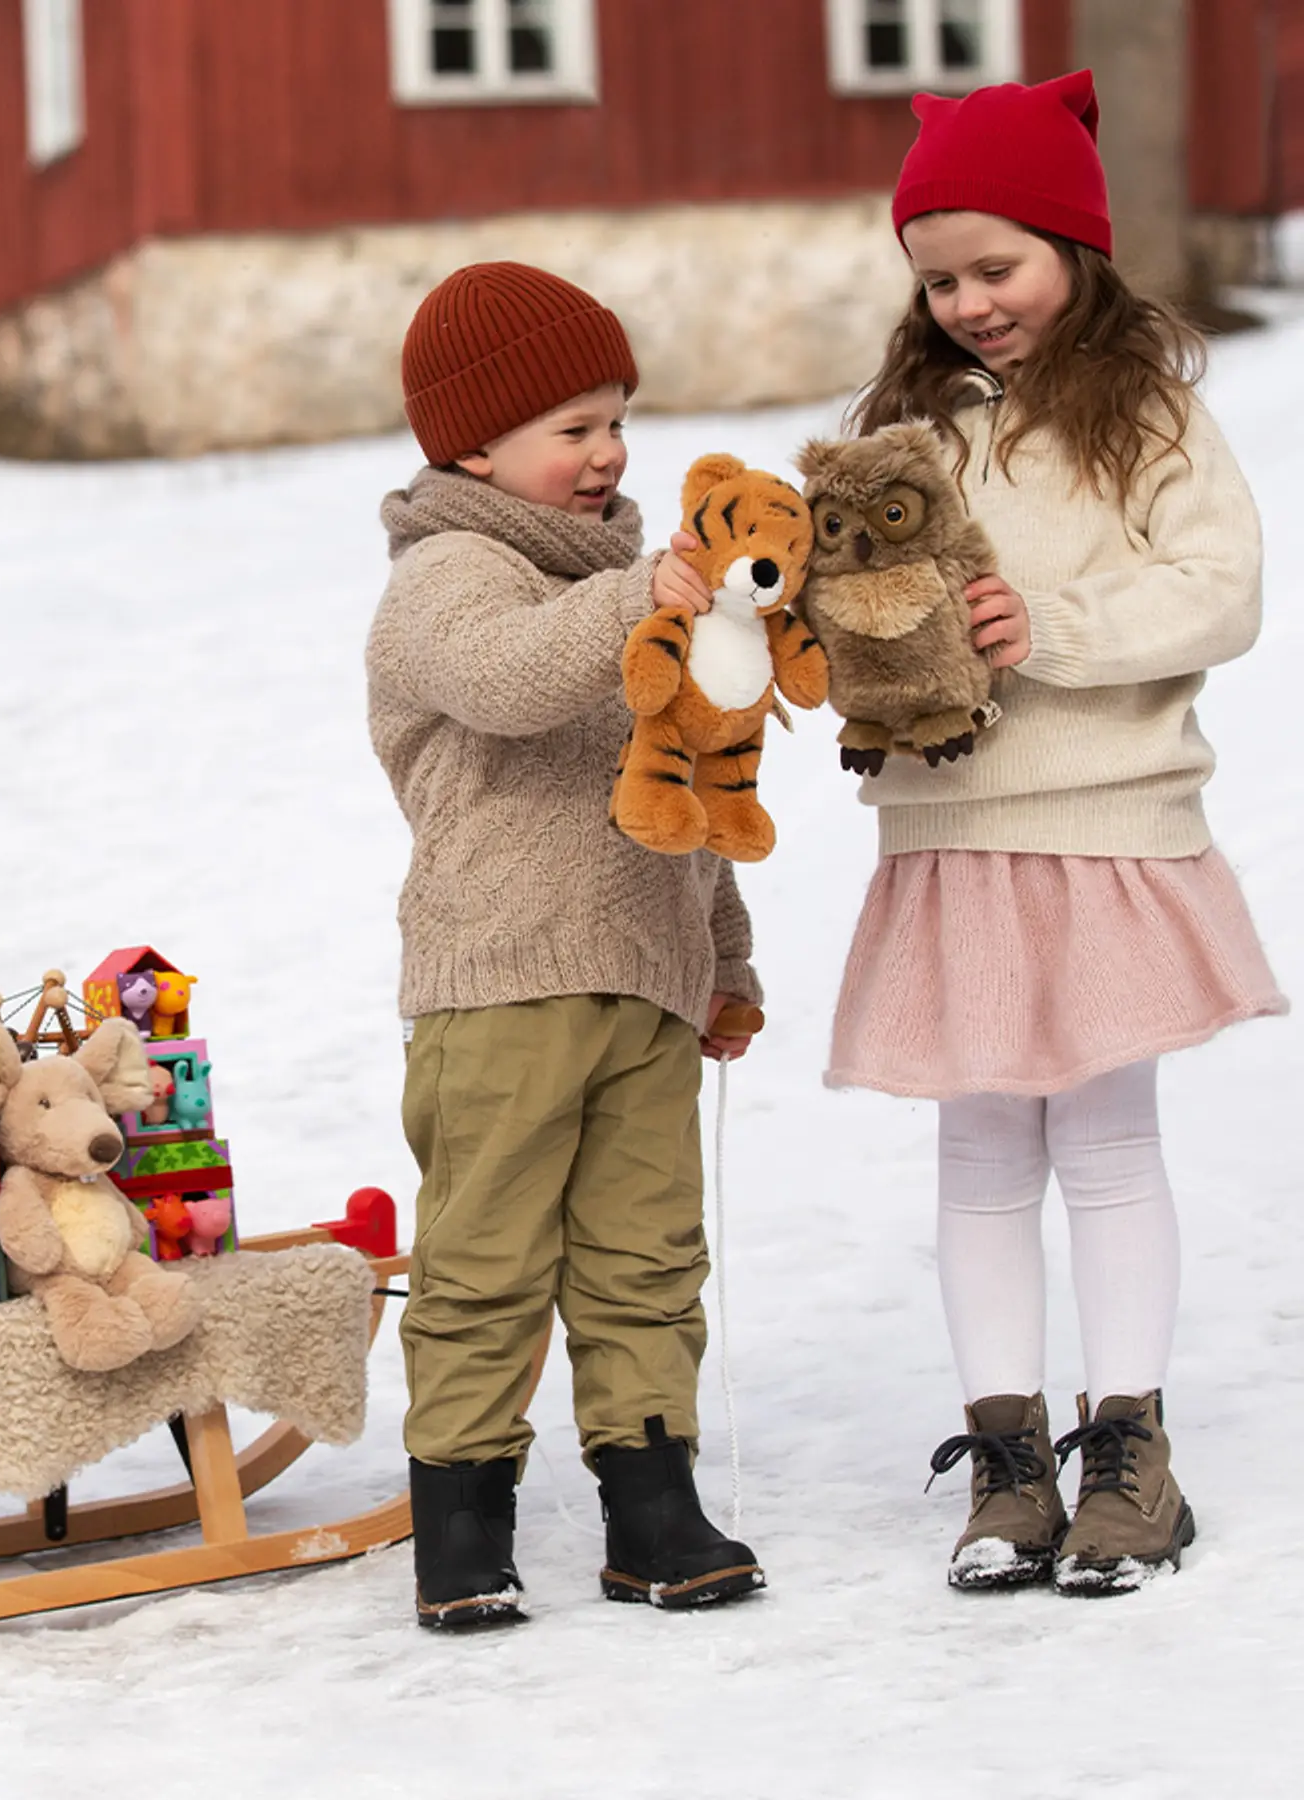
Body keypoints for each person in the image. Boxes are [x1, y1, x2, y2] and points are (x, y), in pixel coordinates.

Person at [825, 72, 1287, 1595]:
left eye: (996, 267)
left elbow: (1219, 590)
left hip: (1103, 827)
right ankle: (1009, 1463)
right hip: (952, 830)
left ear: (1074, 248)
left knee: (1102, 1138)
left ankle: (1130, 1451)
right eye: (939, 280)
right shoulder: (909, 433)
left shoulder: (1147, 414)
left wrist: (1053, 626)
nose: (969, 304)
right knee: (978, 1147)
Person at [366, 260, 765, 1629]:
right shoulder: (446, 575)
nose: (608, 454)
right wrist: (641, 600)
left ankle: (652, 1504)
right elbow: (506, 680)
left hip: (647, 980)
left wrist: (724, 957)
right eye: (574, 429)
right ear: (474, 445)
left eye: (618, 423)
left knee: (646, 1254)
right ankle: (461, 1519)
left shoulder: (636, 586)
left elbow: (688, 782)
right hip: (503, 986)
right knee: (485, 1259)